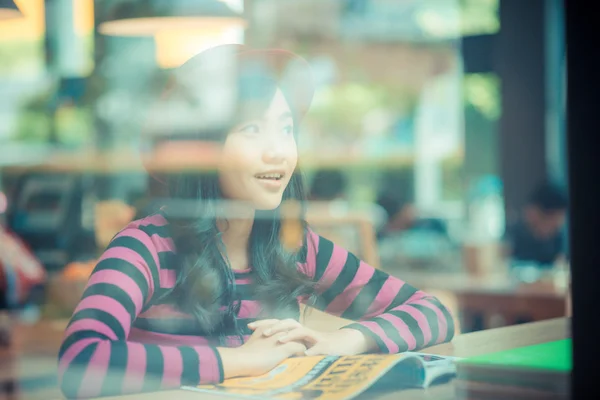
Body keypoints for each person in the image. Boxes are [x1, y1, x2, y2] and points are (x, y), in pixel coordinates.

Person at [57, 44, 455, 398]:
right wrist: (240, 361)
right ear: (201, 148)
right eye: (251, 129)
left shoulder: (295, 246)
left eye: (286, 129)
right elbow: (81, 362)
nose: (278, 151)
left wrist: (342, 341)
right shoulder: (145, 247)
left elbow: (432, 313)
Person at [504, 181, 568, 268]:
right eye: (553, 225)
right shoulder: (513, 234)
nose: (555, 230)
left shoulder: (558, 237)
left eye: (556, 227)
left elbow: (560, 263)